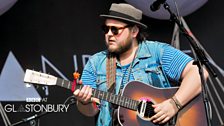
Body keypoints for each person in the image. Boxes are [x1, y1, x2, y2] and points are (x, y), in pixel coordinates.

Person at [73, 3, 208, 126]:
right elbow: (90, 111)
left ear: (134, 31)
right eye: (105, 29)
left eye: (115, 30)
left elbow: (199, 72)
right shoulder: (96, 63)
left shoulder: (157, 52)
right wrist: (84, 101)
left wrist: (173, 104)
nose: (109, 34)